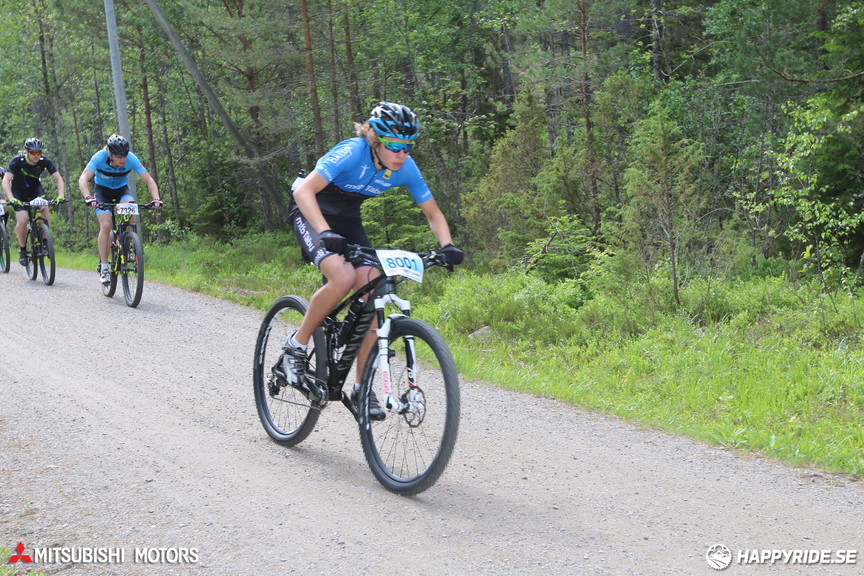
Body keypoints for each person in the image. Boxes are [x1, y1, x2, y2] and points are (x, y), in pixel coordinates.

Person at [286, 102, 464, 419]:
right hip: (311, 210)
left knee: (372, 291)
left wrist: (447, 245)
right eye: (395, 145)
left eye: (408, 146)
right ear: (376, 140)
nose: (402, 154)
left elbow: (433, 213)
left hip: (347, 219)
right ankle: (296, 349)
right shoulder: (352, 151)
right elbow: (305, 193)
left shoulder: (406, 167)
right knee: (342, 278)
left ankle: (361, 388)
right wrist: (325, 232)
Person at [78, 134, 162, 285]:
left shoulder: (131, 159)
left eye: (124, 155)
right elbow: (83, 178)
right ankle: (104, 267)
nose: (122, 159)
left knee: (130, 208)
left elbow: (149, 181)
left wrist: (156, 199)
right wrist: (88, 197)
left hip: (122, 191)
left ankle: (129, 243)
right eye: (118, 156)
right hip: (102, 192)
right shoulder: (99, 157)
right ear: (110, 153)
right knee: (106, 225)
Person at [2, 138, 66, 266]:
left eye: (39, 152)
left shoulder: (45, 161)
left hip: (35, 190)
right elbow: (6, 180)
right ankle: (23, 250)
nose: (36, 156)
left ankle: (44, 240)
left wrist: (61, 195)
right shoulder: (17, 161)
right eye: (33, 153)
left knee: (45, 208)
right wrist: (11, 198)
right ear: (27, 152)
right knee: (23, 219)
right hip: (18, 192)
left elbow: (58, 179)